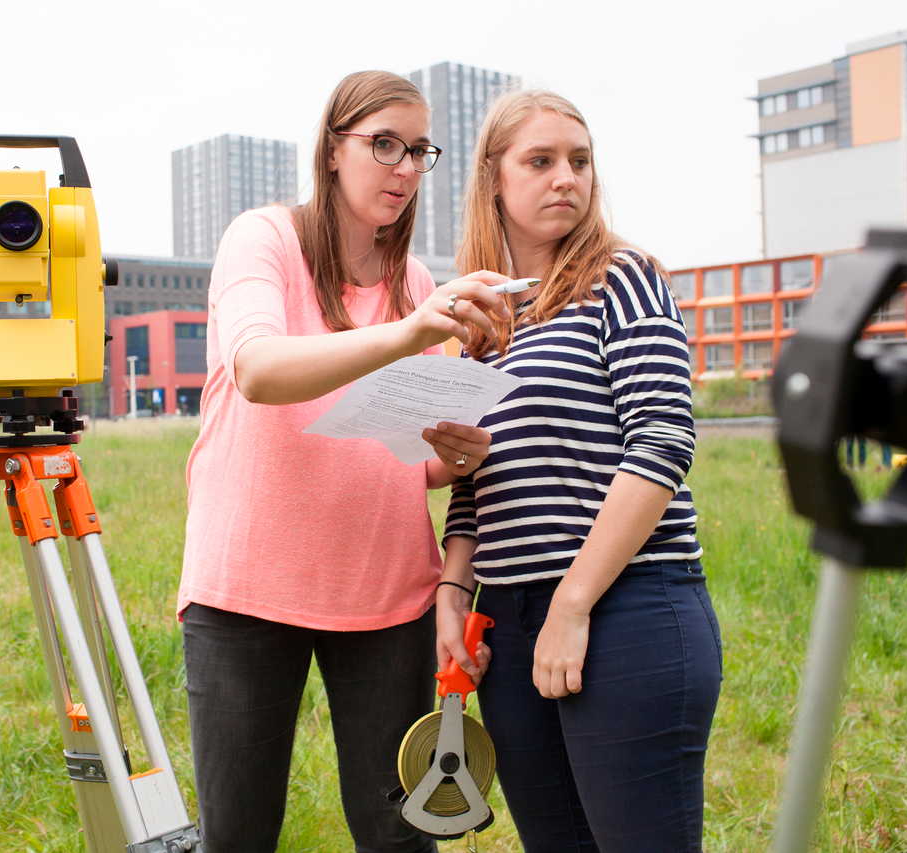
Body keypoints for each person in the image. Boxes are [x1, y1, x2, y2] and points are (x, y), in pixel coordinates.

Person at [178, 70, 509, 853]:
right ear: (332, 149)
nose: (402, 167)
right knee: (238, 834)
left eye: (417, 151)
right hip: (248, 588)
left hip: (384, 591)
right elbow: (258, 370)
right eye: (382, 144)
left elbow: (396, 451)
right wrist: (407, 332)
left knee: (399, 835)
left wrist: (450, 455)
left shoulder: (416, 283)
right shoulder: (262, 240)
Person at [436, 89, 723, 852]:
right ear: (493, 177)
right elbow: (475, 486)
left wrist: (573, 602)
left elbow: (661, 442)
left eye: (580, 161)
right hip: (514, 621)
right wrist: (451, 597)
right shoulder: (486, 321)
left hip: (627, 608)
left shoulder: (622, 277)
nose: (566, 177)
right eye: (540, 161)